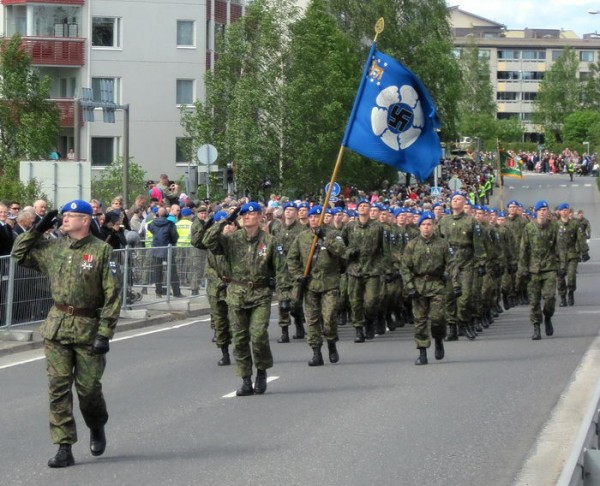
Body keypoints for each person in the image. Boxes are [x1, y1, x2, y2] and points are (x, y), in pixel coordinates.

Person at [11, 200, 122, 468]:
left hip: (88, 328)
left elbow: (112, 294)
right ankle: (64, 447)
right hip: (57, 326)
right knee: (58, 389)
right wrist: (36, 230)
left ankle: (96, 425)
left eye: (71, 216)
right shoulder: (53, 248)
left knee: (88, 390)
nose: (65, 220)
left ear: (85, 220)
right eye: (64, 216)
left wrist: (105, 333)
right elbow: (18, 255)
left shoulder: (101, 251)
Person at [202, 202, 280, 396]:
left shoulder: (270, 241)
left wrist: (286, 295)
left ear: (261, 216)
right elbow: (208, 241)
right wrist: (225, 221)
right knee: (239, 339)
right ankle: (246, 379)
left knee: (259, 334)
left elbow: (281, 269)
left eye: (251, 214)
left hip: (261, 294)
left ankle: (261, 371)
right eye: (243, 214)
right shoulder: (232, 239)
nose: (247, 217)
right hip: (237, 294)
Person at [287, 206, 346, 366]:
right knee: (312, 320)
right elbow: (291, 259)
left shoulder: (333, 234)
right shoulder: (302, 237)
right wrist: (299, 276)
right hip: (310, 284)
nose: (313, 220)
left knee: (329, 318)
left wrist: (325, 237)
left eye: (317, 217)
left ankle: (331, 342)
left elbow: (342, 252)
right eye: (311, 217)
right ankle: (316, 352)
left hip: (329, 283)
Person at [401, 211, 457, 365]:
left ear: (434, 226)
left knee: (438, 318)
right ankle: (422, 351)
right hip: (418, 286)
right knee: (420, 321)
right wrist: (410, 287)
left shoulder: (442, 243)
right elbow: (405, 267)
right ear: (419, 227)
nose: (426, 228)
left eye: (429, 224)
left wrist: (455, 283)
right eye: (423, 225)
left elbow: (452, 264)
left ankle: (438, 339)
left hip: (437, 284)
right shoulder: (412, 245)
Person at [518, 200, 559, 340]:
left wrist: (561, 266)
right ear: (536, 212)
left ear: (548, 212)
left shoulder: (554, 227)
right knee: (534, 301)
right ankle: (536, 326)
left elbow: (558, 248)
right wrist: (523, 269)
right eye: (540, 210)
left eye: (545, 209)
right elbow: (524, 249)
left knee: (550, 298)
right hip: (533, 269)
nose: (543, 212)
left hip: (549, 268)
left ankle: (548, 317)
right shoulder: (529, 228)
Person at [556, 203, 589, 307]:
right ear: (560, 212)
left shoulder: (575, 224)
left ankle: (570, 293)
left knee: (571, 276)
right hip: (559, 256)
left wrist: (585, 252)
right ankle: (562, 298)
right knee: (560, 278)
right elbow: (550, 241)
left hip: (571, 254)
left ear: (569, 212)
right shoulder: (555, 225)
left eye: (566, 210)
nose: (564, 212)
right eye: (562, 210)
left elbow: (580, 238)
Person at [147, 207, 184, 298]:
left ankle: (158, 293)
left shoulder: (153, 223)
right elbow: (175, 236)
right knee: (172, 271)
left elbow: (149, 228)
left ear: (158, 214)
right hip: (168, 249)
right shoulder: (170, 224)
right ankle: (176, 292)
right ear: (167, 214)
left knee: (157, 272)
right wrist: (171, 242)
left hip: (156, 249)